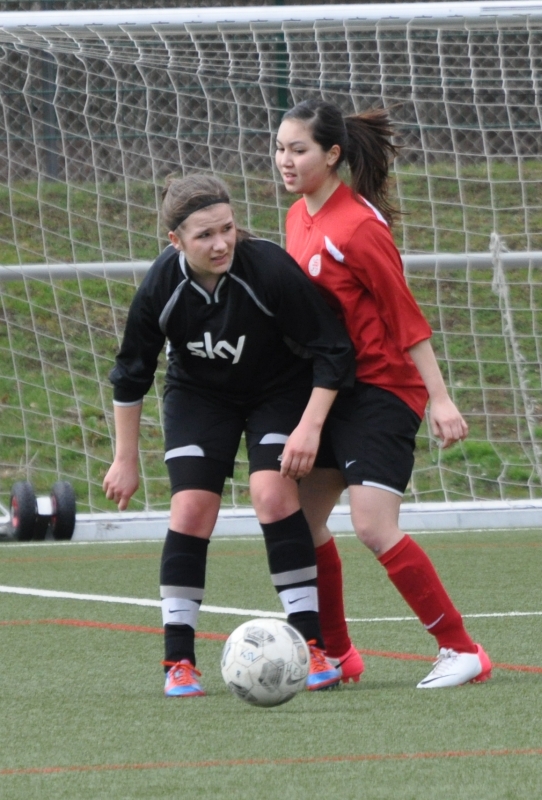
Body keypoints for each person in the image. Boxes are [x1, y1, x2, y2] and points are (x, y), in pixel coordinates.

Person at [103, 173, 355, 696]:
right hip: (200, 398)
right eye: (204, 235)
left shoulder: (268, 268)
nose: (221, 244)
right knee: (191, 508)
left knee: (272, 494)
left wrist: (309, 428)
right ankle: (178, 661)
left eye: (227, 229)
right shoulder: (161, 286)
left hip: (278, 392)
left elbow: (333, 350)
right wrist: (125, 459)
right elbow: (131, 374)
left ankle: (312, 647)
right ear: (176, 241)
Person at [275, 99, 492, 689]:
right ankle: (338, 654)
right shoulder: (297, 216)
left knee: (372, 525)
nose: (285, 160)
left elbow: (405, 316)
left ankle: (461, 650)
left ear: (332, 155)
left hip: (381, 389)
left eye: (299, 150)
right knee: (301, 521)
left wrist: (440, 399)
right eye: (280, 148)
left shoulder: (359, 227)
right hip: (331, 390)